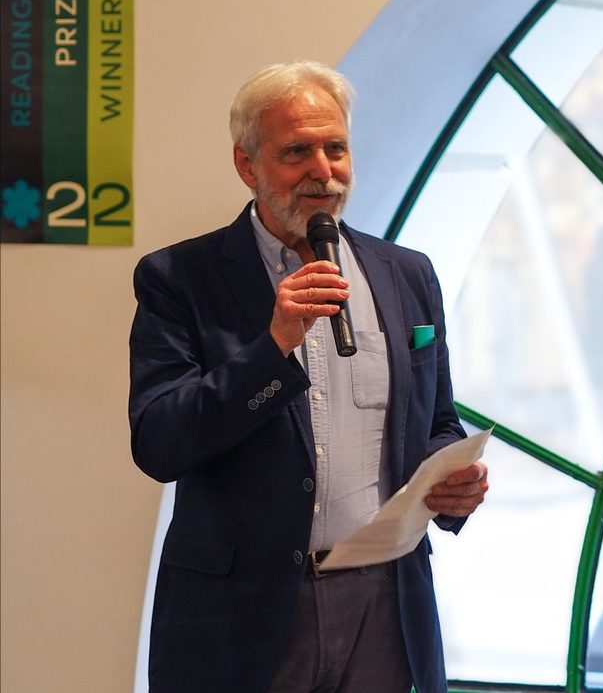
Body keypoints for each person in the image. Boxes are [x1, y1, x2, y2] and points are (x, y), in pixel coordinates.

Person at [129, 61, 488, 693]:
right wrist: (272, 349)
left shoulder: (406, 274)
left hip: (385, 601)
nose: (323, 171)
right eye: (297, 151)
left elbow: (435, 421)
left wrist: (450, 478)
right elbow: (160, 443)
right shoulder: (181, 278)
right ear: (248, 165)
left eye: (336, 148)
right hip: (244, 615)